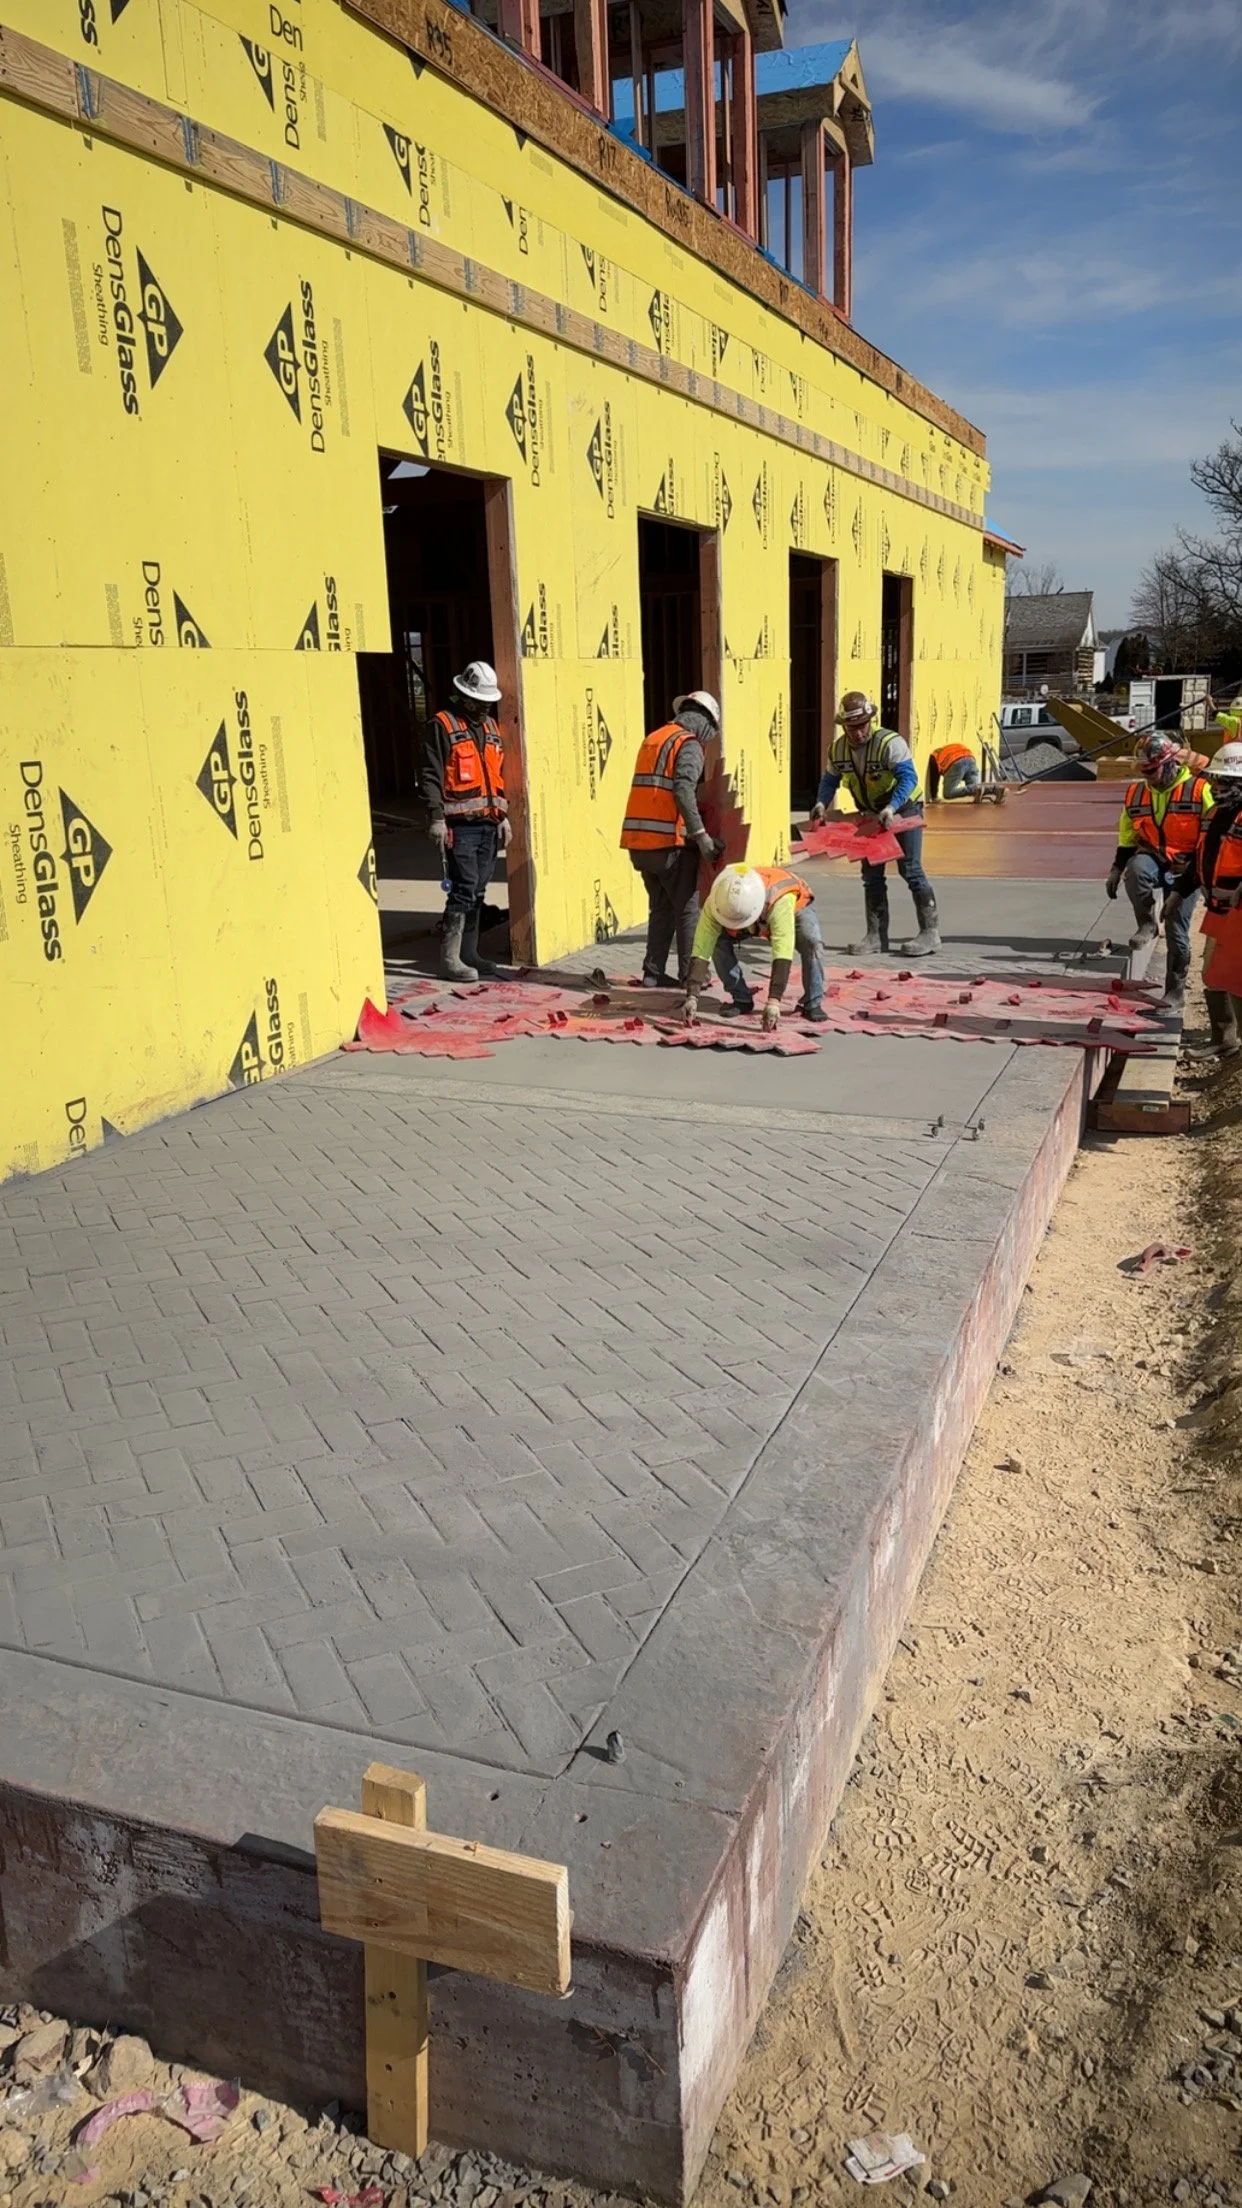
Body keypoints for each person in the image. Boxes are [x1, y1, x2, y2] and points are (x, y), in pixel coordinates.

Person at [811, 691, 940, 956]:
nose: (858, 733)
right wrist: (822, 803)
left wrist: (892, 807)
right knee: (872, 877)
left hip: (904, 810)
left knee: (911, 870)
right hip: (871, 815)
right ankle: (875, 936)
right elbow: (830, 780)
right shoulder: (837, 750)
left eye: (862, 726)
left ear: (870, 721)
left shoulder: (890, 743)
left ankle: (930, 933)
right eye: (852, 728)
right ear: (844, 726)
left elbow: (908, 778)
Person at [620, 691, 723, 987]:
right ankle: (692, 976)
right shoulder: (688, 744)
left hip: (639, 843)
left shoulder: (655, 738)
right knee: (688, 907)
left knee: (661, 906)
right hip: (665, 844)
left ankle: (652, 973)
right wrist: (702, 837)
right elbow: (682, 791)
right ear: (705, 724)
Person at [1104, 730, 1212, 1009]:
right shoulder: (1136, 793)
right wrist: (1117, 868)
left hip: (1188, 867)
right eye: (1144, 770)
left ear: (1170, 763)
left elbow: (1214, 838)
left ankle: (1174, 990)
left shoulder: (1200, 791)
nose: (1147, 776)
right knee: (1136, 871)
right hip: (1153, 857)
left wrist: (1195, 867)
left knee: (1177, 928)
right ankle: (1147, 924)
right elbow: (1127, 836)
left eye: (1152, 770)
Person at [421, 660, 511, 982]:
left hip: (488, 825)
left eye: (490, 703)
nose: (486, 708)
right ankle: (450, 959)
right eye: (481, 703)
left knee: (479, 891)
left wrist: (502, 816)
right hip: (460, 826)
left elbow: (496, 776)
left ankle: (469, 953)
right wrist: (436, 819)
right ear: (466, 697)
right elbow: (431, 775)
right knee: (462, 889)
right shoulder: (442, 725)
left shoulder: (490, 728)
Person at [680, 863, 826, 1029]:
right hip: (753, 913)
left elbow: (782, 952)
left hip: (796, 907)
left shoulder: (779, 901)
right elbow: (701, 948)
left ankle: (813, 1002)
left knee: (812, 943)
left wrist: (774, 1001)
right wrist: (692, 996)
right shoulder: (717, 902)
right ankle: (741, 998)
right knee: (718, 941)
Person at [1168, 740, 1242, 1059]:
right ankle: (1224, 1037)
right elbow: (1203, 859)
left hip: (1239, 912)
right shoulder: (1216, 813)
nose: (1215, 784)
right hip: (1219, 910)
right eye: (1215, 778)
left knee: (1236, 978)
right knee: (1213, 973)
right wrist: (1178, 892)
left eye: (1223, 780)